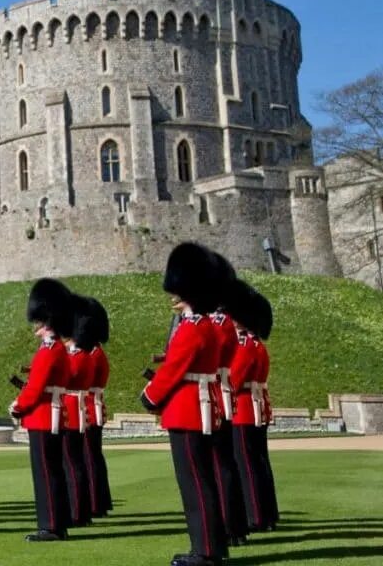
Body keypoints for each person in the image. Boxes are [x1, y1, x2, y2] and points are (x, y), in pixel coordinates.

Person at [141, 242, 230, 566]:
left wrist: (149, 397)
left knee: (194, 483)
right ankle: (213, 546)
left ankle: (204, 551)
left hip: (186, 411)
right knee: (204, 479)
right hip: (203, 407)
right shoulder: (210, 328)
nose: (173, 296)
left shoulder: (191, 330)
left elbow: (173, 370)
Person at [10, 278, 75, 543]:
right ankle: (56, 523)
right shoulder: (56, 348)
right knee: (53, 471)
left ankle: (51, 525)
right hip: (51, 413)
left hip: (44, 415)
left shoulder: (50, 350)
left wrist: (18, 406)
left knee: (46, 473)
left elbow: (35, 387)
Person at [226, 280, 278, 534]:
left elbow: (233, 381)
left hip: (243, 410)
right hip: (255, 408)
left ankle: (255, 515)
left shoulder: (245, 347)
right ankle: (267, 513)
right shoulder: (256, 344)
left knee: (246, 464)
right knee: (258, 463)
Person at [206, 256, 249, 547]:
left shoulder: (217, 323)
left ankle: (230, 525)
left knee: (220, 465)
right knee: (225, 464)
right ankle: (234, 524)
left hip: (213, 396)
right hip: (219, 393)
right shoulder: (224, 322)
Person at [61, 298, 96, 528]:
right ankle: (80, 509)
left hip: (71, 410)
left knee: (71, 463)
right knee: (75, 462)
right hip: (75, 407)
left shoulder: (78, 357)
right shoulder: (81, 355)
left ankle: (77, 511)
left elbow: (66, 379)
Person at [80, 297, 114, 517]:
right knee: (90, 457)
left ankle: (94, 503)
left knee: (89, 457)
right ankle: (97, 501)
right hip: (89, 405)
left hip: (88, 407)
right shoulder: (93, 351)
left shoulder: (93, 354)